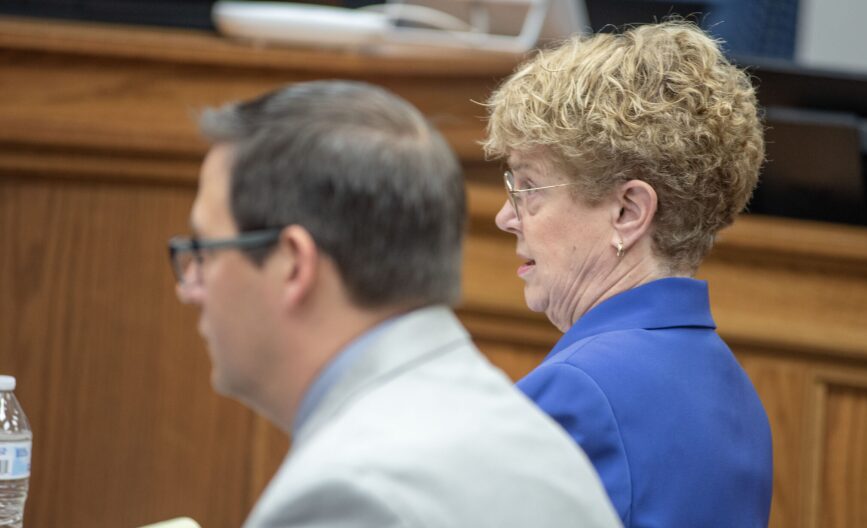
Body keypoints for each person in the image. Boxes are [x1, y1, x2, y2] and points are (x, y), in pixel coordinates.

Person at [169, 80, 621, 528]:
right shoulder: (532, 433)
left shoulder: (348, 494)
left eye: (205, 251)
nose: (188, 287)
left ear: (293, 264)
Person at [483, 21, 773, 528]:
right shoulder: (734, 388)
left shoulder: (576, 392)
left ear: (628, 211)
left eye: (529, 188)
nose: (506, 217)